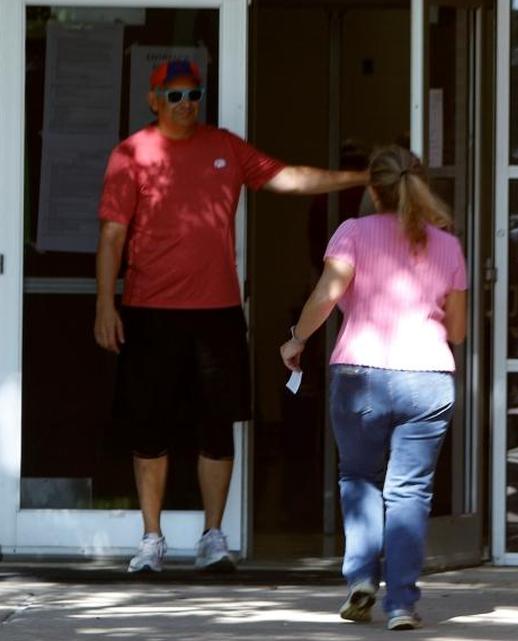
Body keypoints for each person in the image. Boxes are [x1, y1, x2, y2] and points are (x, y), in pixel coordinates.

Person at [94, 59, 369, 574]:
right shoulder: (131, 154)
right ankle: (151, 540)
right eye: (173, 95)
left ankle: (213, 538)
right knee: (149, 429)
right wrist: (105, 303)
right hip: (149, 312)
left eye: (193, 93)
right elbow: (111, 235)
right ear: (153, 99)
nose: (186, 103)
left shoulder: (224, 146)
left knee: (216, 428)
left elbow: (289, 178)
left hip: (217, 312)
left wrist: (362, 177)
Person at [279, 145, 466, 631]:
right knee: (409, 493)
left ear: (371, 189)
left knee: (359, 477)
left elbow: (327, 295)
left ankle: (362, 581)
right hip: (427, 380)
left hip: (360, 374)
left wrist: (296, 340)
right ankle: (402, 603)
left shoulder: (352, 233)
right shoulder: (447, 245)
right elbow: (460, 331)